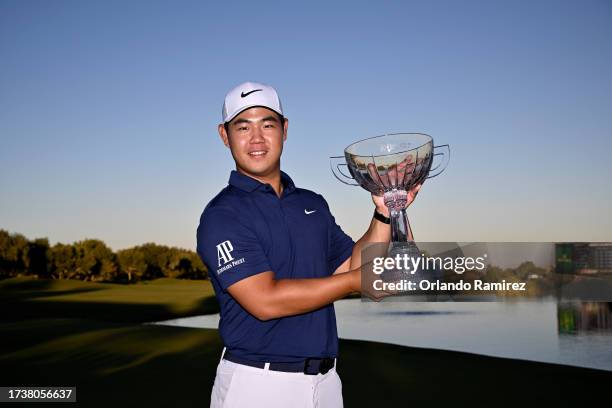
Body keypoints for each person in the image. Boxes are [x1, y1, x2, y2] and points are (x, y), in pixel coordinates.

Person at [196, 81, 420, 408]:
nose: (256, 138)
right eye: (243, 127)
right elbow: (265, 300)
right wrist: (357, 282)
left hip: (326, 383)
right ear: (224, 135)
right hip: (257, 384)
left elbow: (352, 265)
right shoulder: (222, 215)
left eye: (267, 124)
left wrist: (384, 213)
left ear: (284, 130)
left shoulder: (312, 204)